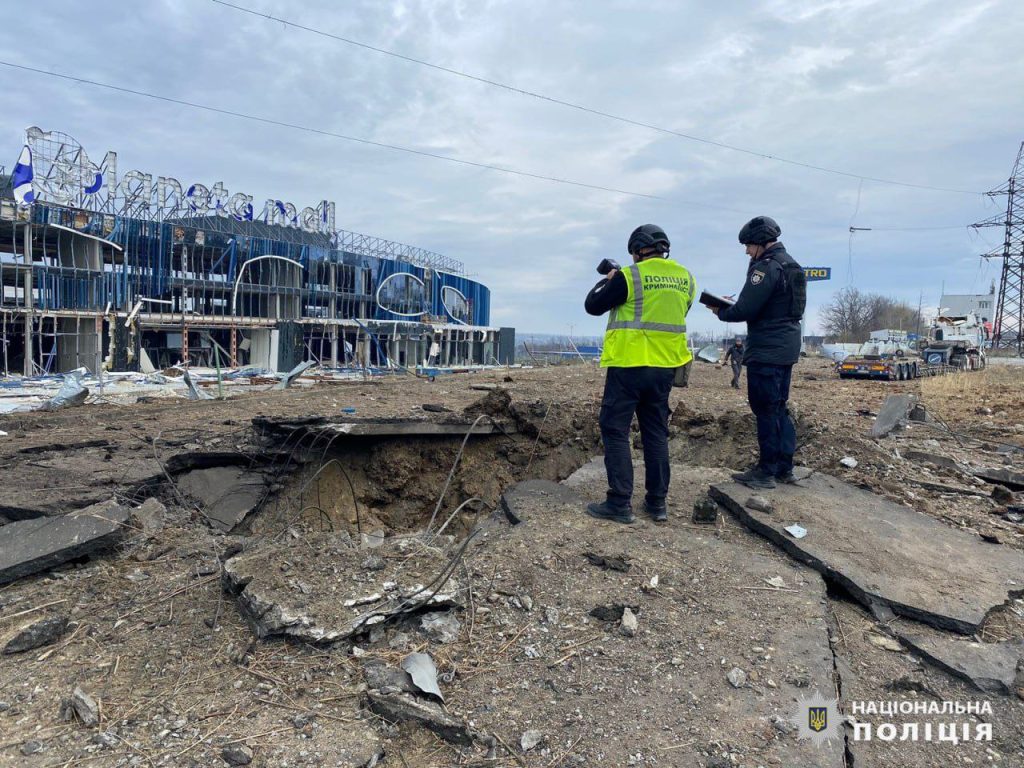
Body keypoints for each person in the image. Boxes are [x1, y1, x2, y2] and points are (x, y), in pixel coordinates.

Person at [584, 224, 696, 523]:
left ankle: (620, 503)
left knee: (615, 429)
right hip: (664, 369)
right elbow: (679, 311)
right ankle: (657, 503)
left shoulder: (629, 276)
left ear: (636, 251)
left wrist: (608, 280)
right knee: (656, 434)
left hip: (629, 365)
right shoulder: (685, 278)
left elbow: (592, 307)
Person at [709, 216, 805, 490]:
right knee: (778, 408)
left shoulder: (765, 268)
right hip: (787, 347)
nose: (747, 251)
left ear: (762, 243)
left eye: (749, 246)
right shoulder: (792, 266)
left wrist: (721, 310)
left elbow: (746, 310)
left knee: (764, 409)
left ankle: (765, 472)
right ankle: (784, 468)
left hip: (767, 349)